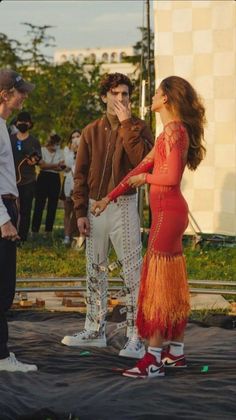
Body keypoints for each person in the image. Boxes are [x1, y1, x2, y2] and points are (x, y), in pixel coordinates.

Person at [92, 75, 206, 377]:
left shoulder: (173, 132)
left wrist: (146, 180)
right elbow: (140, 166)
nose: (152, 97)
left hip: (167, 215)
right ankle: (175, 352)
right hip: (170, 213)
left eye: (156, 92)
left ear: (166, 98)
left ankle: (153, 358)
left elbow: (166, 178)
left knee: (156, 287)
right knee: (170, 287)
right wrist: (108, 197)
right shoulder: (170, 132)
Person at [61, 72, 153, 358]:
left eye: (125, 94)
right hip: (94, 205)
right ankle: (94, 330)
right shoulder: (91, 130)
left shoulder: (139, 127)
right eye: (115, 94)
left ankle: (136, 335)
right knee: (95, 267)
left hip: (124, 204)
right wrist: (80, 211)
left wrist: (127, 124)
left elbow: (143, 162)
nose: (121, 99)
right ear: (104, 96)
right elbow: (81, 174)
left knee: (132, 271)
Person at [0, 68, 37, 372]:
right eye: (20, 92)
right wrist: (2, 218)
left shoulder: (4, 126)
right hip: (0, 211)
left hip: (7, 206)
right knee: (3, 288)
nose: (24, 97)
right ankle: (1, 357)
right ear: (5, 95)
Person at [10, 111, 41, 242]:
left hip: (28, 180)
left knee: (25, 210)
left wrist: (34, 160)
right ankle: (9, 234)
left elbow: (38, 157)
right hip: (10, 180)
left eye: (25, 121)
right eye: (20, 121)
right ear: (16, 123)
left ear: (30, 123)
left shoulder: (34, 141)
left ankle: (22, 238)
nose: (23, 124)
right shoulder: (10, 139)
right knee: (10, 210)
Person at [31, 133, 65, 238]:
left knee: (52, 206)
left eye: (58, 144)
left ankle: (48, 231)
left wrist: (48, 165)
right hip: (43, 178)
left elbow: (61, 168)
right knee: (39, 205)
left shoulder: (61, 152)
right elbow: (42, 165)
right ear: (51, 143)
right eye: (55, 143)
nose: (57, 146)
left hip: (55, 179)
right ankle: (34, 231)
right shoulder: (42, 150)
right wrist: (55, 165)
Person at [62, 129, 81, 245]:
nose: (75, 139)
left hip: (79, 183)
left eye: (77, 136)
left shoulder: (85, 149)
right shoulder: (66, 150)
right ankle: (66, 236)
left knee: (77, 211)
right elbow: (67, 165)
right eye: (73, 137)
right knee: (67, 211)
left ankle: (74, 235)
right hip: (68, 181)